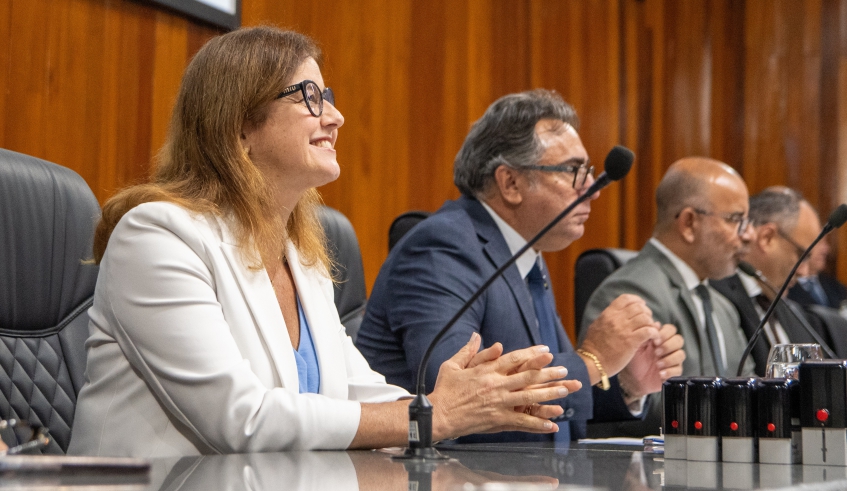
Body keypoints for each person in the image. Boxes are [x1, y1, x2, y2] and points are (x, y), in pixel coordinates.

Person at [67, 27, 581, 458]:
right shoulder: (157, 236)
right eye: (309, 98)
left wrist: (475, 400)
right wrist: (429, 415)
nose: (334, 118)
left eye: (327, 99)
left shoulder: (302, 259)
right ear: (240, 124)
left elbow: (361, 395)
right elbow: (238, 419)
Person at [357, 89, 685, 443]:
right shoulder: (443, 247)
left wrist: (625, 384)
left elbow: (547, 412)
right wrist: (591, 361)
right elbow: (459, 393)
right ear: (510, 183)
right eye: (574, 171)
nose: (592, 189)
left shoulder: (525, 258)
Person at [580, 157, 755, 435]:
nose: (749, 236)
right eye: (737, 220)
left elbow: (746, 386)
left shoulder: (723, 307)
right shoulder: (635, 290)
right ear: (689, 223)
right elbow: (618, 414)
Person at [711, 187, 829, 375]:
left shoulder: (788, 309)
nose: (804, 272)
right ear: (767, 237)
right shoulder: (717, 299)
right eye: (801, 255)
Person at [788, 233, 847, 310]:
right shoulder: (785, 289)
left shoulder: (836, 286)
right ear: (800, 245)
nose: (826, 249)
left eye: (825, 242)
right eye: (819, 242)